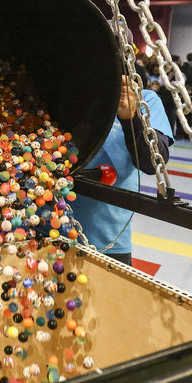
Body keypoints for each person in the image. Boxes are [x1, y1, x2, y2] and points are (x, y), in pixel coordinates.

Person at [72, 75, 173, 266]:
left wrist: (131, 119)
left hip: (107, 241)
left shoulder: (145, 99)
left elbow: (153, 163)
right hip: (46, 226)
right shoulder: (71, 94)